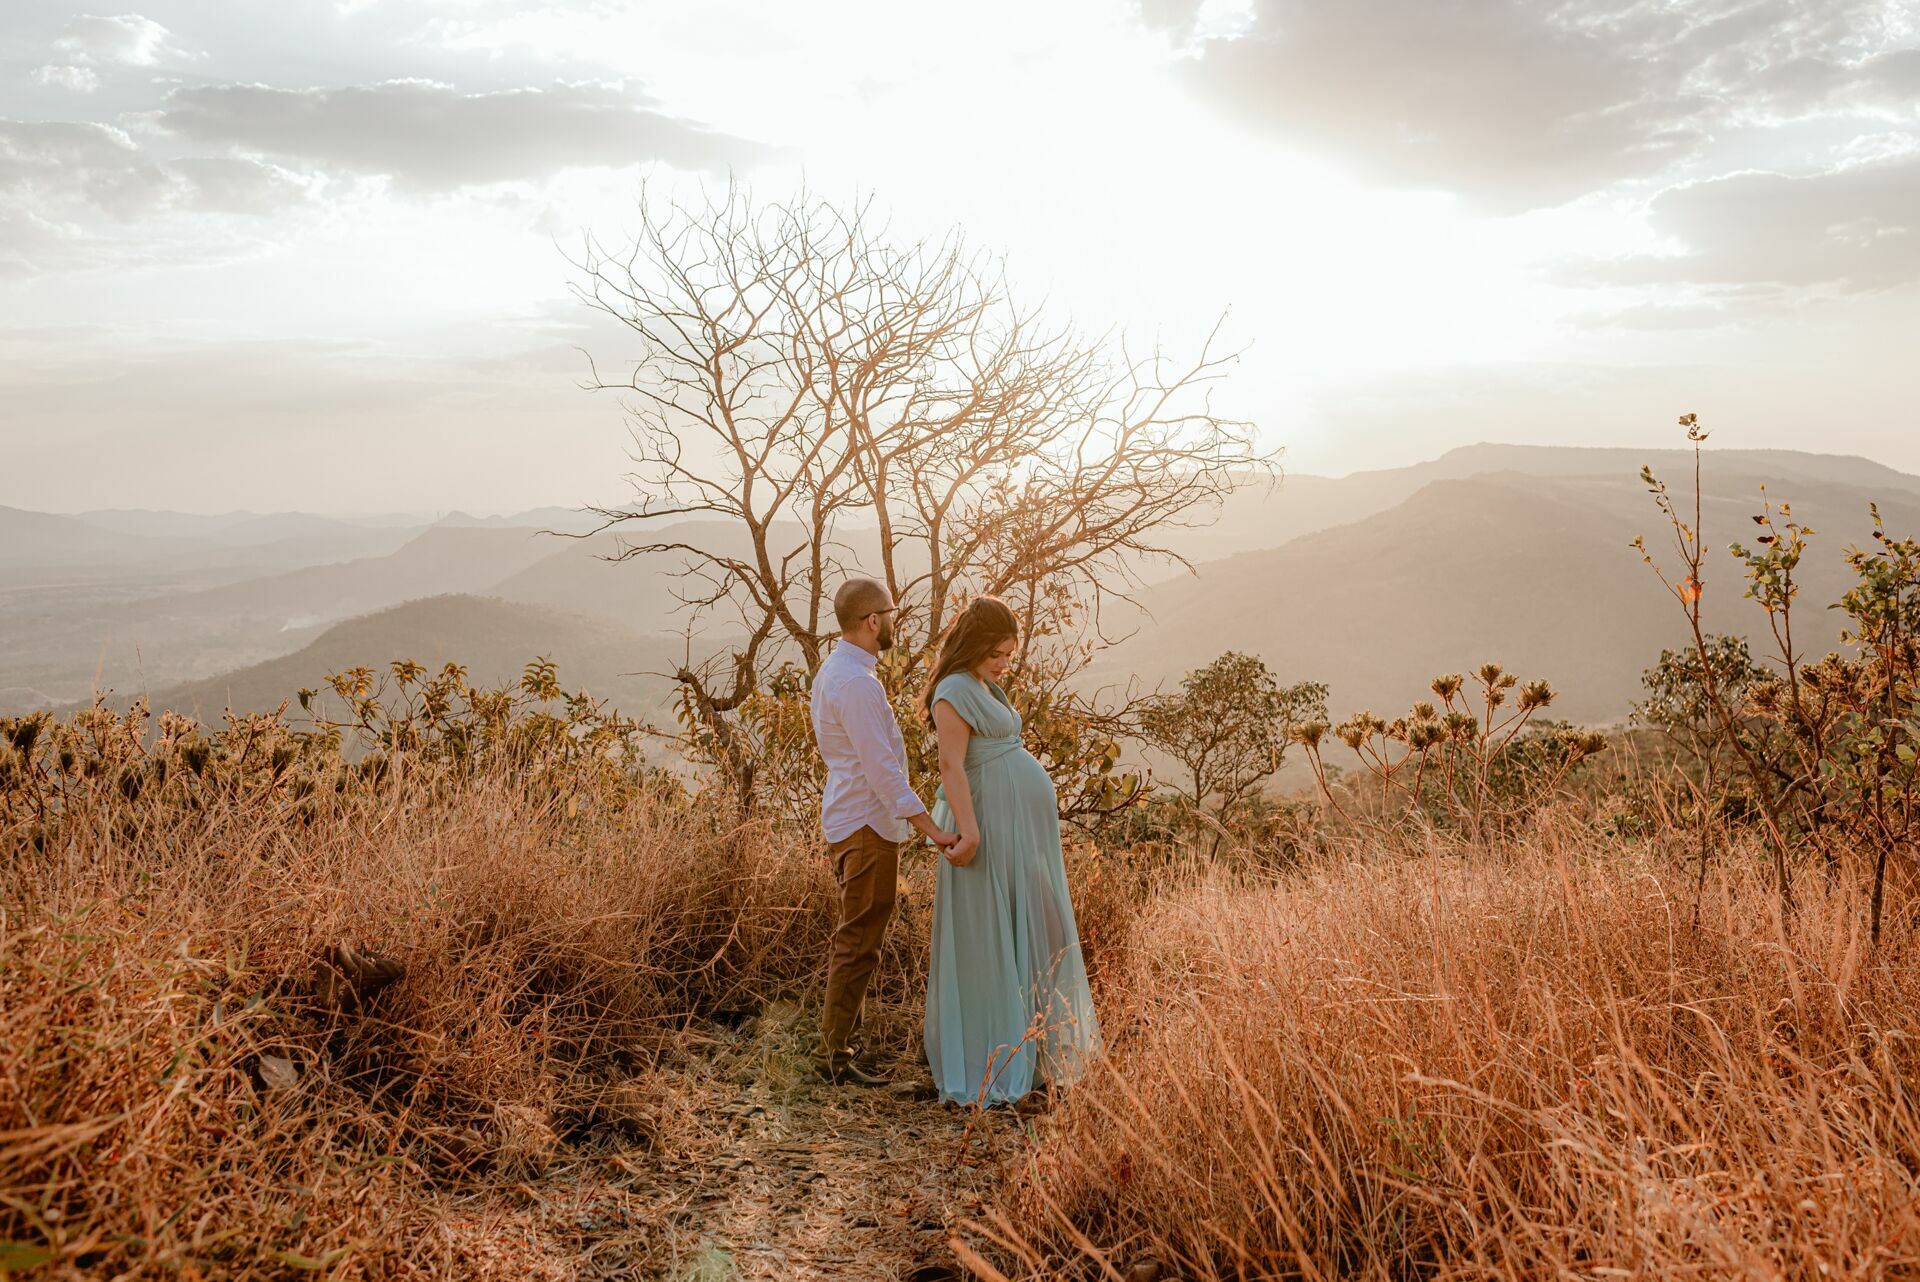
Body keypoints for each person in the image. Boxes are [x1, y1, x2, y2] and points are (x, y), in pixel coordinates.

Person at [921, 596, 1102, 1105]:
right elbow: (952, 767)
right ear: (975, 645)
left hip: (1018, 829)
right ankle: (998, 1056)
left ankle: (1038, 1049)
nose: (1004, 663)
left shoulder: (982, 684)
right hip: (990, 829)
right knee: (999, 933)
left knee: (1042, 925)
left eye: (1008, 654)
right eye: (997, 652)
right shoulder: (953, 692)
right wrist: (971, 832)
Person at [810, 576, 959, 1087]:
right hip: (867, 824)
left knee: (860, 938)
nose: (894, 621)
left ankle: (843, 1044)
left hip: (853, 818)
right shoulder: (854, 683)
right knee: (858, 942)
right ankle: (833, 1057)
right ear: (873, 621)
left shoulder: (841, 671)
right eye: (890, 614)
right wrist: (932, 829)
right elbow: (881, 771)